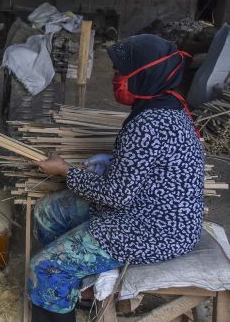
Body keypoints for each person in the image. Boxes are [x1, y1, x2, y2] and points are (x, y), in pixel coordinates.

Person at [28, 34, 204, 322]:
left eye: (122, 71)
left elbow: (115, 196)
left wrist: (65, 171)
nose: (115, 77)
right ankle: (72, 288)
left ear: (144, 75)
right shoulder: (165, 104)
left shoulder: (150, 123)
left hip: (155, 228)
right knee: (48, 213)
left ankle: (57, 282)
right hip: (149, 208)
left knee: (46, 266)